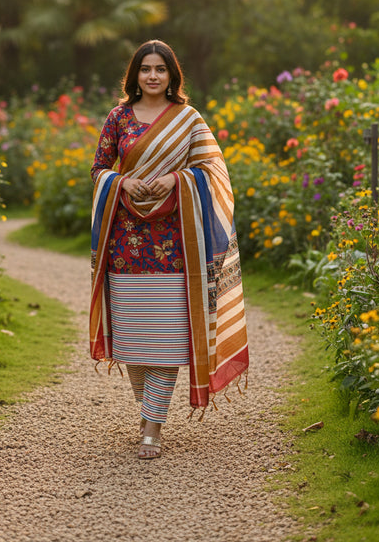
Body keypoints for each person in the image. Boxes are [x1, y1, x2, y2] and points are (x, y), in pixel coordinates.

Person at [89, 40, 248, 460]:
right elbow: (99, 168)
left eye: (161, 69)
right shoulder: (118, 117)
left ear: (172, 75)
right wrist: (120, 182)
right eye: (146, 69)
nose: (153, 76)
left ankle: (152, 428)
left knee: (166, 341)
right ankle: (149, 411)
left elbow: (212, 170)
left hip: (175, 246)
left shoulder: (188, 119)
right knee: (133, 341)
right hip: (125, 245)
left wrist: (178, 179)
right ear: (135, 75)